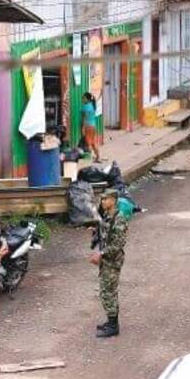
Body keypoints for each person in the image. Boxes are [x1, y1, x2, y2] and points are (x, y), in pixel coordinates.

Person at [90, 188, 130, 338]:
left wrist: (101, 254)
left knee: (108, 292)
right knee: (106, 291)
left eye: (105, 199)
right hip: (107, 260)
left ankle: (113, 326)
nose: (103, 202)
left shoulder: (119, 218)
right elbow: (106, 232)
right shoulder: (108, 215)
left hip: (112, 261)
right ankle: (111, 321)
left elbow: (118, 244)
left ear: (113, 200)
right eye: (102, 199)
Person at [81, 92, 100, 161]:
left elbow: (84, 118)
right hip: (93, 126)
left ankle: (89, 158)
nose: (82, 99)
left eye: (83, 98)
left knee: (88, 143)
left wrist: (82, 128)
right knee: (93, 142)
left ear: (88, 99)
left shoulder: (85, 107)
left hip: (88, 127)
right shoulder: (92, 105)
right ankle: (97, 156)